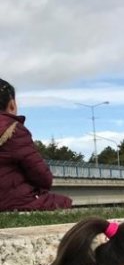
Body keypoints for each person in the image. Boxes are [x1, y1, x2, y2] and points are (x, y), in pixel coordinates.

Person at [0, 79, 72, 211]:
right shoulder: (14, 130)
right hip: (11, 202)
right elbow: (42, 177)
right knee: (64, 202)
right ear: (11, 105)